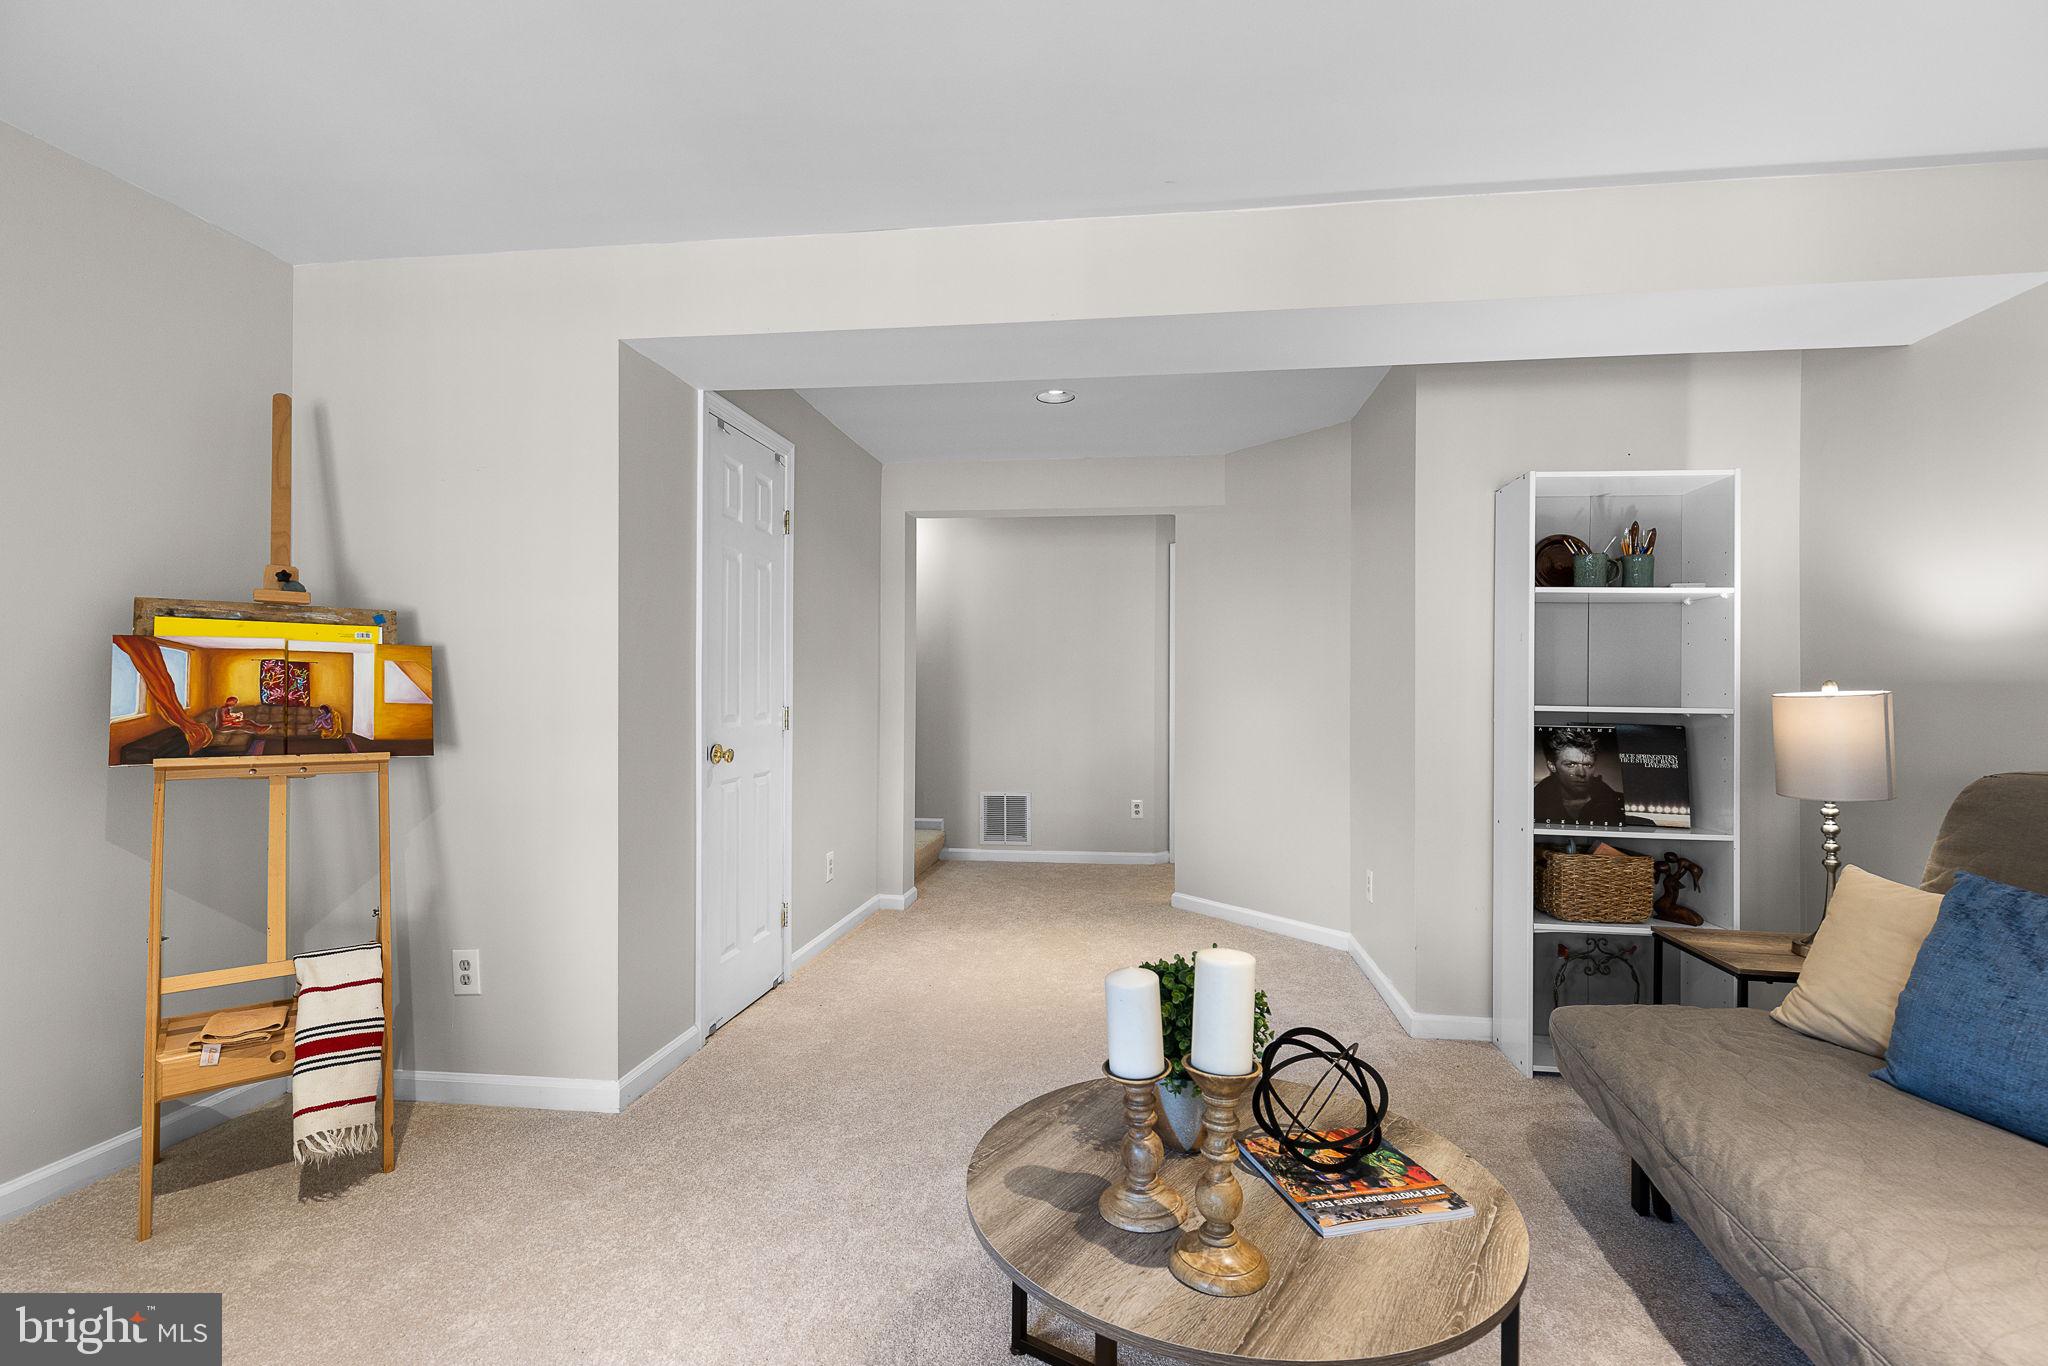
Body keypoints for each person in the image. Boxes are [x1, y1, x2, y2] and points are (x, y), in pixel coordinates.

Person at [1533, 727, 1626, 825]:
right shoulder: (1533, 804)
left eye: (1587, 765)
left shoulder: (1618, 804)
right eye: (1570, 764)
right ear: (1552, 766)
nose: (1581, 773)